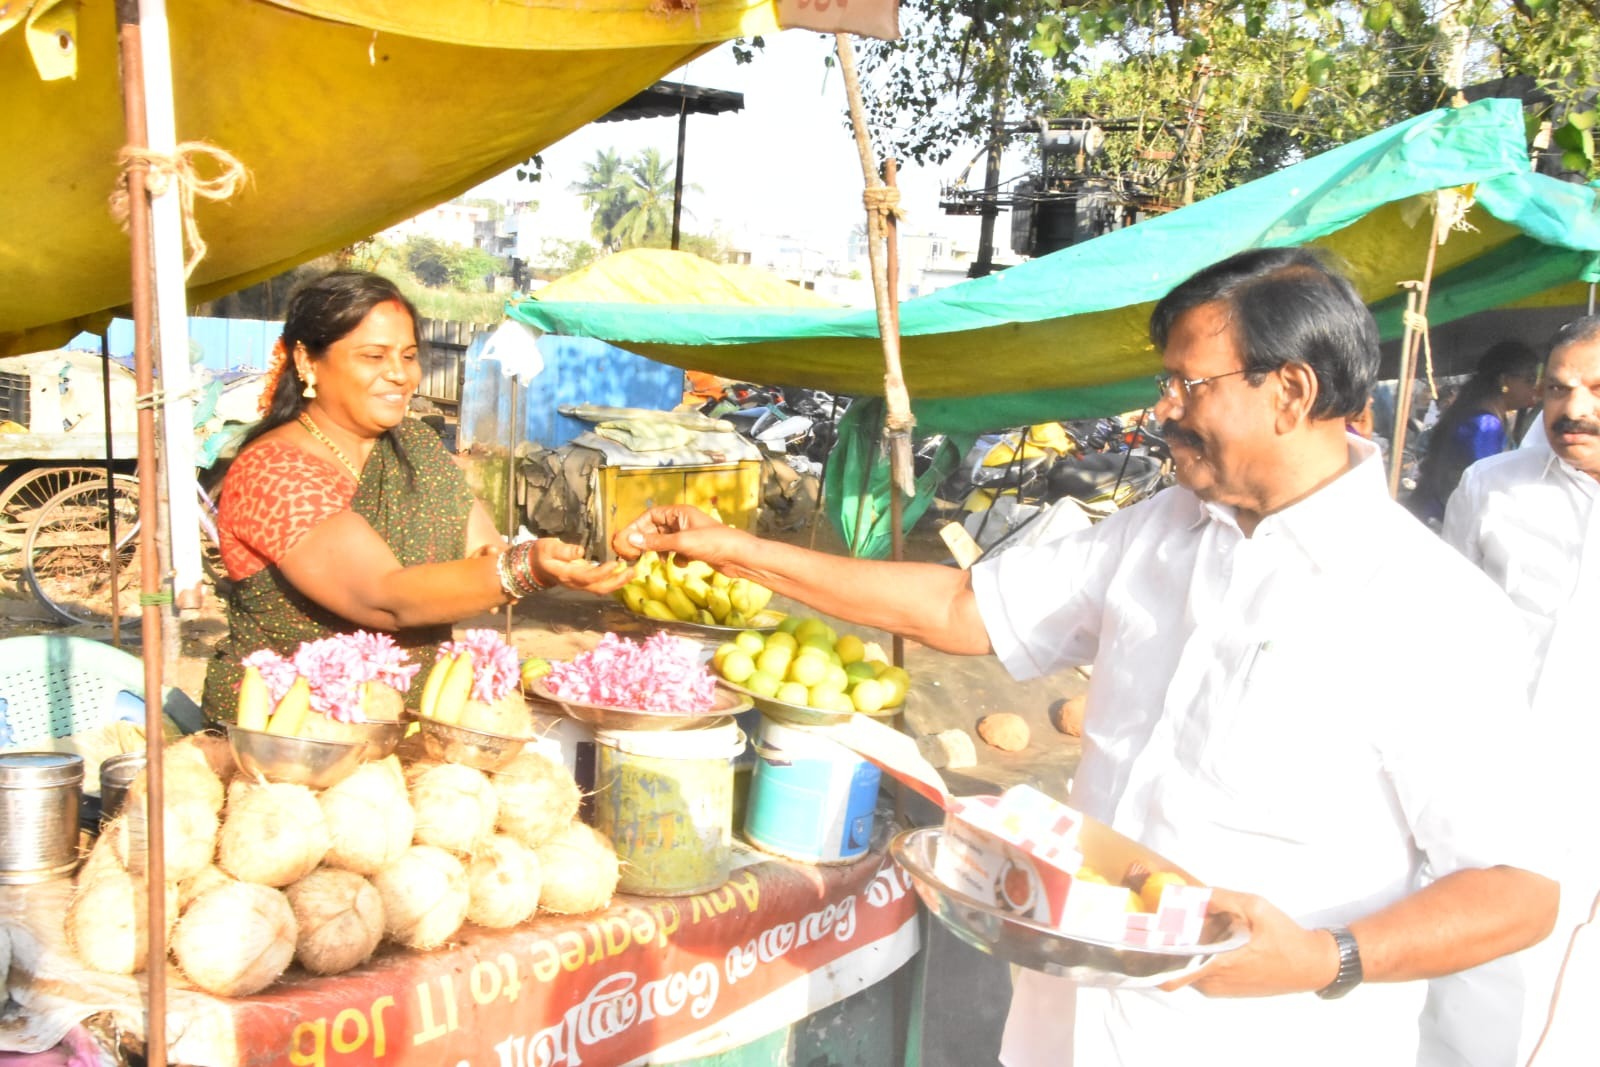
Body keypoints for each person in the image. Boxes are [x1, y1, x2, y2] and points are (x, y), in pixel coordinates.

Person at [612, 247, 1559, 1067]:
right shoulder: (1163, 528)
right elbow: (959, 604)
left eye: (1189, 384)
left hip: (1259, 1038)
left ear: (1293, 391)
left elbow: (1517, 889)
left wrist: (1328, 957)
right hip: (1067, 1028)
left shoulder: (1429, 607)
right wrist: (734, 549)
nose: (1161, 409)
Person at [201, 270, 629, 718]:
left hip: (413, 716)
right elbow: (384, 598)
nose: (399, 375)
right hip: (290, 733)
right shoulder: (272, 470)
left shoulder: (415, 445)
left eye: (408, 356)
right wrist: (526, 569)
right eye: (373, 356)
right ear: (308, 362)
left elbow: (483, 555)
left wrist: (552, 563)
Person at [1434, 315, 1600, 1066]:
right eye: (1561, 387)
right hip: (1498, 776)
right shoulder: (1492, 488)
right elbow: (1444, 629)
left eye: (1596, 388)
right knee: (1479, 976)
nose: (1574, 408)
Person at [1408, 340, 1542, 525]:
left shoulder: (1482, 416)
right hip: (1444, 520)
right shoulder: (1484, 426)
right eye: (1529, 380)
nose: (1533, 389)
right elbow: (1488, 489)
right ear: (1504, 381)